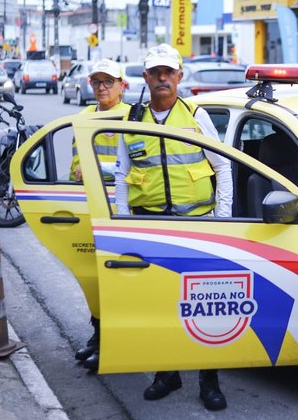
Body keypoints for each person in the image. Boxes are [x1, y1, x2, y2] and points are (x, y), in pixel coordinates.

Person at [114, 43, 232, 411]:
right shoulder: (133, 120)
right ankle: (167, 373)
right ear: (146, 78)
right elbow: (121, 174)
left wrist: (222, 222)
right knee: (160, 305)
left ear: (179, 76)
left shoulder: (196, 115)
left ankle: (208, 379)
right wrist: (124, 225)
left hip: (198, 227)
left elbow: (224, 166)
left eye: (169, 72)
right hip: (152, 227)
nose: (162, 78)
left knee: (205, 306)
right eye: (155, 72)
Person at [69, 58, 130, 373]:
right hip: (93, 210)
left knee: (119, 283)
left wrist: (103, 172)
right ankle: (98, 337)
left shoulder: (134, 118)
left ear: (122, 85)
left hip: (124, 213)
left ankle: (115, 344)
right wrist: (84, 170)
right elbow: (75, 166)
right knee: (96, 281)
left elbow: (137, 170)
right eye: (97, 82)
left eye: (108, 81)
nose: (102, 87)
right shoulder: (82, 118)